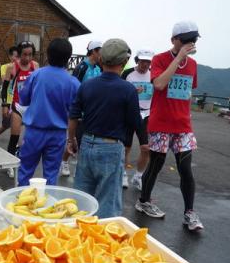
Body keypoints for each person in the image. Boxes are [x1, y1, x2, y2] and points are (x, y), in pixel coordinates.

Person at [135, 21, 204, 231]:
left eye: (193, 40)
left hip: (183, 125)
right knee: (156, 165)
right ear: (174, 39)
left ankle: (189, 213)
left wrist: (186, 115)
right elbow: (159, 84)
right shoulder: (159, 59)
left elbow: (189, 91)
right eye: (186, 40)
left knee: (185, 169)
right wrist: (179, 58)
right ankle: (143, 201)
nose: (189, 44)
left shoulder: (192, 65)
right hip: (161, 124)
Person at [67, 39, 140, 218]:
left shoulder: (87, 85)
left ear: (102, 60)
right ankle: (104, 240)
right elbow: (134, 121)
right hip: (111, 146)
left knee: (82, 199)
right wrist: (145, 142)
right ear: (123, 62)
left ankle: (78, 238)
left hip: (86, 143)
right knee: (108, 201)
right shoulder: (128, 89)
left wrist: (71, 139)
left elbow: (73, 117)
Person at [17, 38, 80, 186]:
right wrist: (72, 138)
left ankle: (20, 203)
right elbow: (75, 113)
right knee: (51, 175)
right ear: (68, 58)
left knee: (25, 170)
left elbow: (23, 100)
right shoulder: (73, 82)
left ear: (47, 54)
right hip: (57, 134)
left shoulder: (36, 75)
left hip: (34, 131)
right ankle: (48, 205)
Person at [60, 40, 103, 177]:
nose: (101, 54)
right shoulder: (81, 67)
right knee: (74, 139)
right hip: (80, 110)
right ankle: (64, 162)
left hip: (92, 111)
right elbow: (73, 87)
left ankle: (81, 166)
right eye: (99, 51)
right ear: (93, 51)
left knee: (86, 140)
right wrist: (74, 109)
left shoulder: (97, 68)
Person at [1, 41, 39, 177]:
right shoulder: (13, 67)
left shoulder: (35, 66)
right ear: (19, 54)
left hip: (31, 107)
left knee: (29, 138)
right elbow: (5, 88)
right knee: (14, 136)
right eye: (24, 55)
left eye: (30, 55)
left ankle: (23, 160)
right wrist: (5, 105)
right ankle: (9, 164)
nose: (27, 58)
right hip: (17, 105)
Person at [121, 49, 155, 190]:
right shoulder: (127, 73)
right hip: (129, 113)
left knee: (146, 148)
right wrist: (132, 92)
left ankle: (138, 176)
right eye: (142, 61)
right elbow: (119, 91)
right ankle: (123, 174)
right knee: (126, 147)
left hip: (147, 114)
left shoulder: (154, 75)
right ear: (137, 60)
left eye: (148, 61)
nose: (145, 64)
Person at [0, 46, 18, 137]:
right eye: (15, 56)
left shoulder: (21, 67)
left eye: (18, 57)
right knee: (5, 124)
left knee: (16, 122)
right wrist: (12, 72)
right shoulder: (5, 67)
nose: (17, 59)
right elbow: (3, 78)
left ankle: (14, 140)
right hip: (7, 98)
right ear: (10, 56)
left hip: (17, 100)